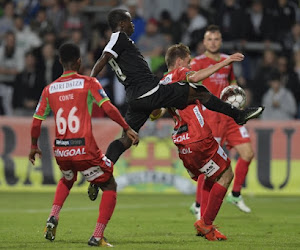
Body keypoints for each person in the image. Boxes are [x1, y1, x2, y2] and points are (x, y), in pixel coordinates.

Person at [88, 9, 264, 200]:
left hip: (136, 98)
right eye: (130, 22)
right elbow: (103, 58)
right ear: (122, 24)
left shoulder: (121, 43)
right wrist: (88, 83)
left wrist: (156, 110)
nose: (133, 25)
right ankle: (238, 115)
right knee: (198, 91)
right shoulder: (118, 38)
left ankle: (100, 174)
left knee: (126, 139)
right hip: (149, 90)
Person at [28, 42, 139, 247]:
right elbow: (109, 108)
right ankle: (97, 236)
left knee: (67, 178)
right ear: (79, 61)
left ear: (60, 62)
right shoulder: (89, 83)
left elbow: (36, 122)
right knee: (110, 185)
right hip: (84, 149)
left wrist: (34, 145)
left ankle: (53, 216)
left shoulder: (49, 89)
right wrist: (127, 128)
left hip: (61, 150)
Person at [150, 43, 251, 241]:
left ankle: (204, 224)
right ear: (179, 62)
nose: (190, 66)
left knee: (210, 176)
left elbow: (156, 113)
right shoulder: (181, 72)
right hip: (198, 136)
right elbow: (195, 77)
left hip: (182, 142)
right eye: (188, 62)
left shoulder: (162, 84)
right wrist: (226, 61)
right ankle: (206, 223)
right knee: (226, 174)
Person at [190, 24, 256, 215]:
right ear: (204, 42)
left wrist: (238, 97)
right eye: (209, 39)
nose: (213, 42)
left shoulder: (228, 61)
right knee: (209, 165)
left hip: (230, 117)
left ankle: (235, 194)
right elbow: (191, 83)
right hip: (211, 118)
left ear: (221, 41)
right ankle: (198, 205)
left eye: (216, 39)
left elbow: (232, 82)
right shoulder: (197, 62)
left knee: (248, 153)